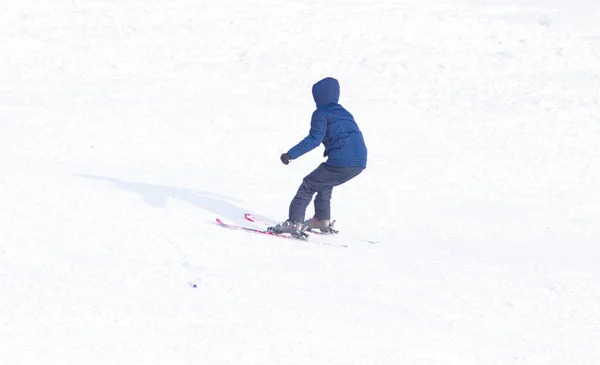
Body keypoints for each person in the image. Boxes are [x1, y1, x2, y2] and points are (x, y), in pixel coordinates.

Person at [271, 77, 367, 236]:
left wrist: (290, 154)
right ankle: (322, 220)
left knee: (308, 185)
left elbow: (314, 139)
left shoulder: (321, 112)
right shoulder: (344, 112)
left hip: (342, 160)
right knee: (324, 182)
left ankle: (294, 223)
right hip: (359, 161)